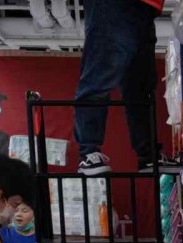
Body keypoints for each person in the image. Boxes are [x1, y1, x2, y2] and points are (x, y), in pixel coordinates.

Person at [74, 0, 173, 175]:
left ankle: (148, 155)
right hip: (115, 5)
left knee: (141, 86)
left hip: (147, 6)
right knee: (100, 74)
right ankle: (87, 152)